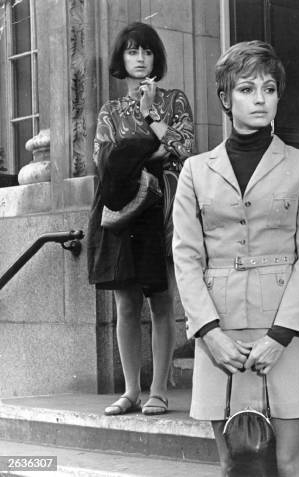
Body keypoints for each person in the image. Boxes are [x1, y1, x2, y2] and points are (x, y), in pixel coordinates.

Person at [172, 40, 299, 477]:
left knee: (287, 462)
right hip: (219, 333)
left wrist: (280, 335)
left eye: (269, 88)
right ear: (225, 99)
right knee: (234, 463)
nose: (260, 98)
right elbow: (186, 258)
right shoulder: (195, 170)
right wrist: (208, 333)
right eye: (246, 89)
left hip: (286, 330)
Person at [87, 22, 194, 416]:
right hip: (123, 208)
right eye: (132, 51)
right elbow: (103, 160)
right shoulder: (110, 110)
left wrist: (149, 117)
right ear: (122, 58)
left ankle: (159, 390)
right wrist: (149, 152)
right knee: (125, 303)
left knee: (161, 300)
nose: (140, 59)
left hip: (163, 209)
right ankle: (131, 390)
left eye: (146, 52)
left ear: (156, 58)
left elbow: (183, 148)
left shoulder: (174, 100)